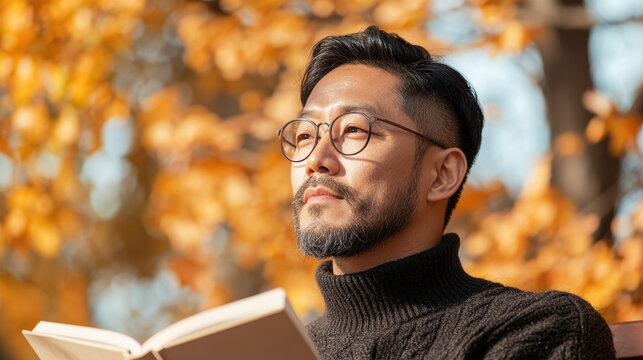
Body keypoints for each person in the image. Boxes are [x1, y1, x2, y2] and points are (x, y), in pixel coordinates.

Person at [277, 26, 615, 359]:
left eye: (352, 130)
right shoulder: (273, 349)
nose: (315, 161)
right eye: (305, 135)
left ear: (442, 174)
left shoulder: (536, 328)